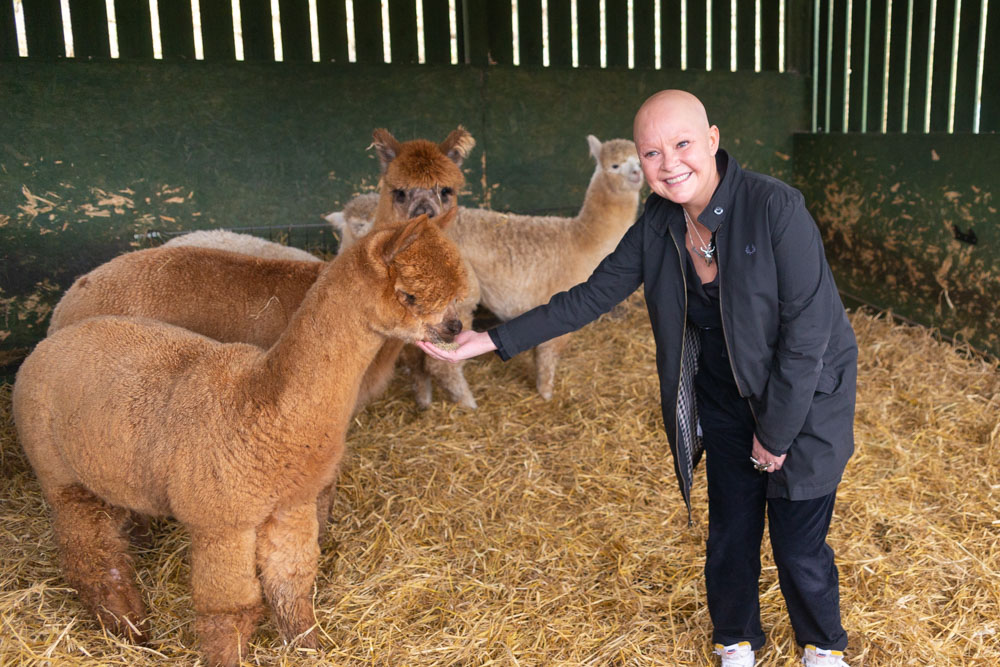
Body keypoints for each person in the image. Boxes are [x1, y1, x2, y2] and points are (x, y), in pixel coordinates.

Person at [418, 89, 856, 667]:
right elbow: (593, 294)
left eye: (681, 144)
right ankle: (737, 639)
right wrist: (494, 338)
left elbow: (806, 339)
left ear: (713, 141)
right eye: (652, 153)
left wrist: (775, 436)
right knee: (731, 530)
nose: (669, 163)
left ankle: (822, 647)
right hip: (725, 397)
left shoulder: (777, 209)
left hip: (805, 399)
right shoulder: (659, 222)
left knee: (799, 541)